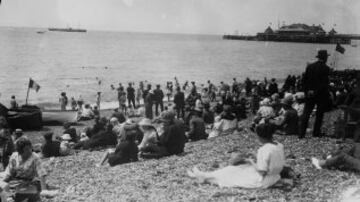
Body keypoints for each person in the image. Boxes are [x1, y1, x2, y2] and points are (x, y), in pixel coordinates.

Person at [188, 123, 285, 189]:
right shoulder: (279, 145)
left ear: (259, 136)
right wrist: (254, 157)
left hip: (263, 180)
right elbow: (274, 160)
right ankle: (204, 176)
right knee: (237, 169)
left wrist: (250, 161)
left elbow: (262, 172)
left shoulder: (264, 150)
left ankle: (204, 176)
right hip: (276, 176)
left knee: (232, 173)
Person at [1, 137, 48, 202]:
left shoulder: (34, 157)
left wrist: (44, 190)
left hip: (27, 182)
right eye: (26, 149)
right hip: (14, 180)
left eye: (30, 148)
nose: (30, 151)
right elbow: (9, 172)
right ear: (20, 151)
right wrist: (5, 182)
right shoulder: (14, 156)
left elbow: (42, 173)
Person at [299, 50, 331, 138]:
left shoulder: (310, 67)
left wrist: (307, 91)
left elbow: (304, 81)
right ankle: (316, 133)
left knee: (306, 113)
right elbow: (324, 83)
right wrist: (316, 91)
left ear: (318, 57)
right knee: (319, 114)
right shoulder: (326, 68)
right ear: (325, 58)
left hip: (309, 94)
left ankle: (301, 133)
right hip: (320, 94)